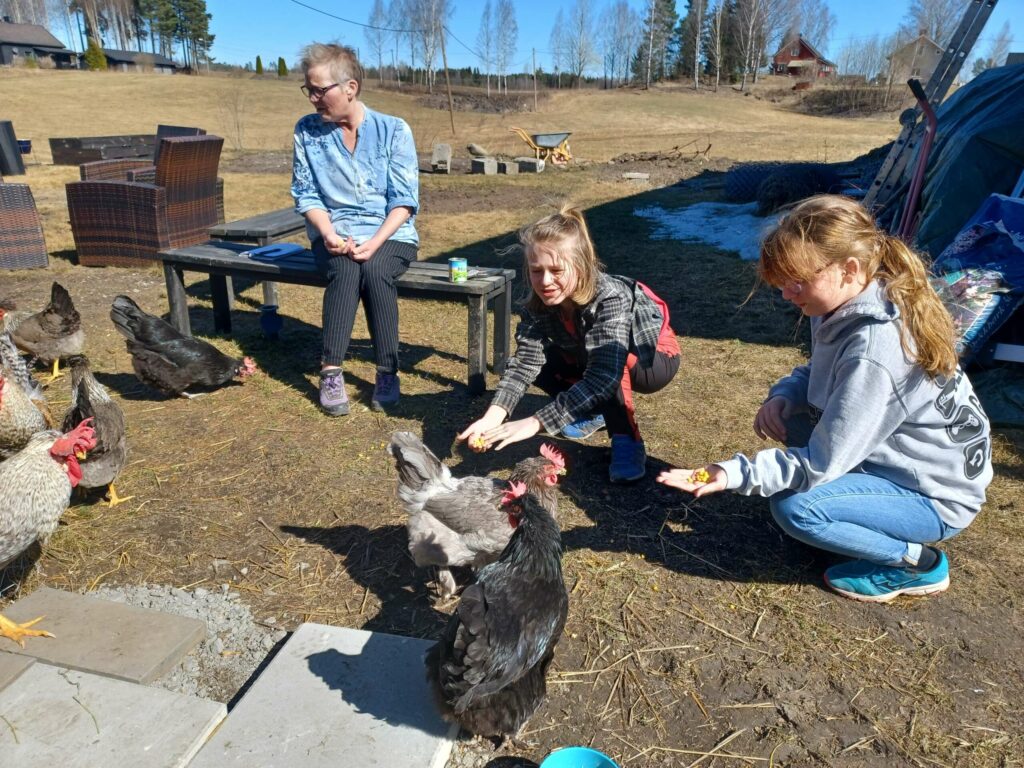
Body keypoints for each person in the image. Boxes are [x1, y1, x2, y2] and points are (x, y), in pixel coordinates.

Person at [658, 195, 992, 603]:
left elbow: (822, 461)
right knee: (797, 425)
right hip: (904, 460)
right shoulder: (849, 300)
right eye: (781, 281)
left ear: (848, 269)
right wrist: (786, 394)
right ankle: (854, 519)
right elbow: (823, 371)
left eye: (796, 280)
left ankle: (915, 563)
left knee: (797, 510)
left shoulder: (876, 347)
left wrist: (731, 473)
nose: (786, 294)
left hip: (933, 496)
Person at [458, 205, 680, 483]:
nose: (545, 281)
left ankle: (627, 440)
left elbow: (603, 377)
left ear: (581, 266)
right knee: (542, 362)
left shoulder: (611, 297)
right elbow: (524, 364)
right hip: (589, 352)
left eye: (556, 270)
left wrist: (535, 422)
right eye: (536, 270)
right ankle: (592, 411)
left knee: (609, 358)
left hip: (653, 359)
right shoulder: (537, 305)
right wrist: (493, 417)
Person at [291, 43, 419, 416]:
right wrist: (326, 231)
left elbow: (404, 200)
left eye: (320, 90)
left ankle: (387, 370)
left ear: (350, 87)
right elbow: (306, 193)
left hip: (391, 234)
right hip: (334, 232)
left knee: (377, 270)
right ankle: (331, 371)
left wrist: (376, 241)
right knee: (345, 270)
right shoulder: (307, 131)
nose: (314, 98)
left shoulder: (393, 130)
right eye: (309, 90)